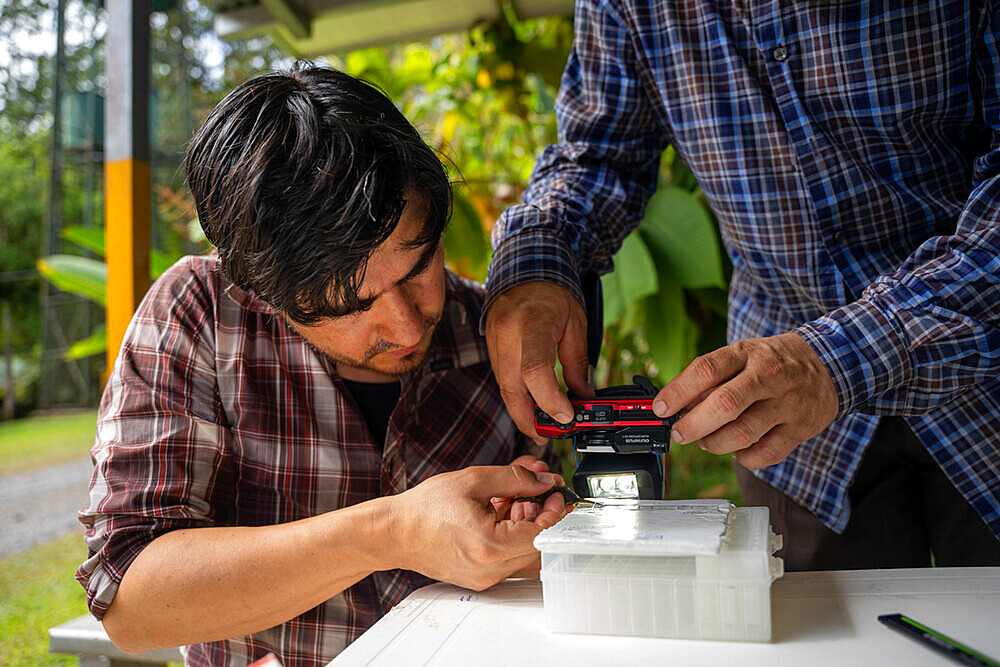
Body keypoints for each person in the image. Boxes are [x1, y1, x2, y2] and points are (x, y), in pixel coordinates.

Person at [76, 65, 568, 667]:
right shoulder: (204, 313)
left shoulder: (491, 331)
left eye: (418, 268)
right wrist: (394, 532)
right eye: (350, 305)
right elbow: (131, 602)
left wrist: (546, 530)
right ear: (264, 289)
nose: (409, 327)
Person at [484, 1, 1000, 570]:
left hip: (984, 382)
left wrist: (839, 357)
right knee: (818, 645)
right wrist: (533, 260)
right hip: (786, 428)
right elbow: (598, 155)